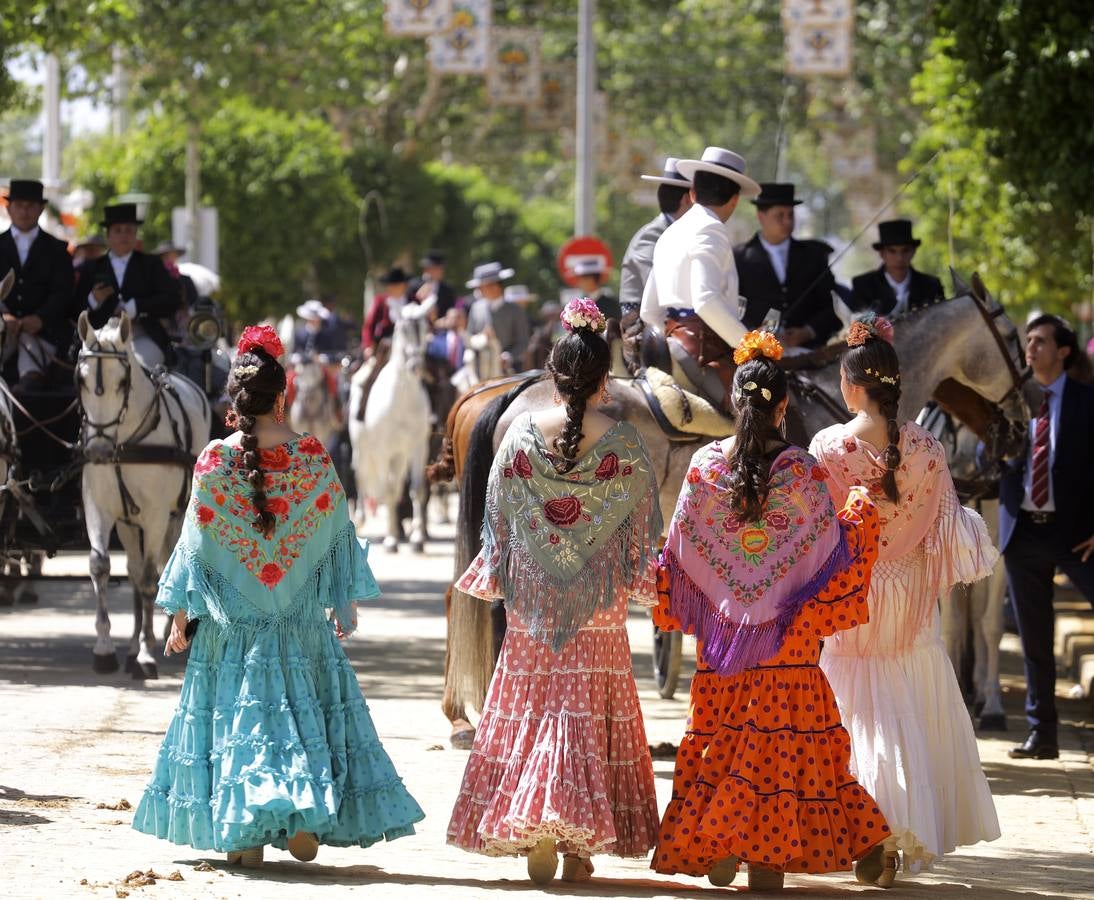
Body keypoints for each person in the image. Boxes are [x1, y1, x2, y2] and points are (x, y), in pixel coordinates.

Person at [131, 324, 424, 866]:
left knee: (243, 719)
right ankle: (299, 814)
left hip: (232, 627)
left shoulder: (214, 461)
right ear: (282, 397)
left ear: (234, 401)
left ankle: (245, 831)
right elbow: (337, 530)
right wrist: (343, 600)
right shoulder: (312, 457)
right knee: (296, 716)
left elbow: (194, 544)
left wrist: (179, 614)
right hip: (298, 622)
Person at [651, 330, 888, 892]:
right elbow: (828, 560)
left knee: (726, 742)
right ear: (783, 407)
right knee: (794, 750)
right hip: (790, 645)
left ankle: (725, 837)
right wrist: (860, 513)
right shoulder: (804, 473)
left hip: (726, 647)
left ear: (735, 403)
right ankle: (802, 851)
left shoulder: (705, 468)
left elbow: (678, 556)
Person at [447, 298, 662, 885]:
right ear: (603, 380)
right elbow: (642, 532)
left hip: (534, 599)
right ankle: (576, 841)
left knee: (532, 705)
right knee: (585, 708)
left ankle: (534, 817)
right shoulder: (624, 445)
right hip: (599, 602)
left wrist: (512, 569)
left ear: (555, 374)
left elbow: (497, 523)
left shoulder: (518, 437)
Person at [809, 315, 1000, 883]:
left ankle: (867, 834)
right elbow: (947, 531)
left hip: (853, 592)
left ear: (849, 385)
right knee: (904, 705)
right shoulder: (928, 447)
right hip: (911, 594)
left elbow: (818, 534)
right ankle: (895, 833)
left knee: (858, 707)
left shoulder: (827, 446)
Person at [1000, 314, 1094, 760]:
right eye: (1028, 341)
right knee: (1034, 640)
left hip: (1077, 534)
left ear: (1064, 351)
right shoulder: (1012, 399)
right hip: (1022, 533)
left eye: (1040, 341)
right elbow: (987, 453)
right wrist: (1003, 439)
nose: (1031, 348)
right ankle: (1043, 735)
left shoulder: (1086, 401)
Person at [640, 146, 761, 410]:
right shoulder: (711, 229)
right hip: (702, 352)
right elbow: (705, 301)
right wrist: (752, 347)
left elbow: (649, 311)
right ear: (735, 199)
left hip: (671, 347)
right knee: (761, 406)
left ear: (693, 193)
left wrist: (670, 339)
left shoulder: (671, 232)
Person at [734, 182, 839, 348]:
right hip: (758, 353)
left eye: (791, 214)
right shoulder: (739, 257)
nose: (787, 221)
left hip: (809, 352)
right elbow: (734, 306)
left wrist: (807, 331)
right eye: (780, 215)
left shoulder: (814, 254)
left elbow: (832, 304)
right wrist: (755, 334)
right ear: (761, 216)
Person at [83, 203, 182, 368]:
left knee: (138, 367)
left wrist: (137, 306)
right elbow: (73, 306)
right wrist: (93, 300)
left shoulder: (151, 264)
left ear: (136, 234)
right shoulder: (92, 267)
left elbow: (172, 298)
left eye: (129, 230)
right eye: (118, 230)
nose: (124, 236)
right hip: (101, 335)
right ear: (108, 235)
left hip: (142, 334)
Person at [0, 179, 75, 388]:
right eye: (19, 205)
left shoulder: (58, 250)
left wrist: (41, 318)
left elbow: (64, 292)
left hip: (43, 333)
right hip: (2, 330)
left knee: (30, 376)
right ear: (8, 208)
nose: (25, 212)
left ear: (41, 209)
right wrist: (4, 316)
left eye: (31, 206)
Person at [619, 157, 693, 311]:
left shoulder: (679, 233)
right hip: (640, 325)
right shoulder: (651, 235)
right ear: (687, 199)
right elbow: (658, 286)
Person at [849, 220, 944, 316]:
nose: (899, 258)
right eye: (892, 251)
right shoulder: (863, 286)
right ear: (882, 253)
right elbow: (859, 326)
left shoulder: (931, 285)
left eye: (905, 250)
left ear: (913, 251)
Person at [465, 261, 529, 373]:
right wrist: (481, 338)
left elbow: (523, 341)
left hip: (509, 371)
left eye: (482, 287)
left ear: (494, 286)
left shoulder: (515, 310)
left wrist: (508, 356)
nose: (478, 290)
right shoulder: (475, 308)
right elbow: (469, 337)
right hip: (481, 370)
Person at [362, 267, 413, 355]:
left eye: (397, 285)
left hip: (411, 343)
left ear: (404, 285)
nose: (394, 288)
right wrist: (368, 346)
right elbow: (369, 326)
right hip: (386, 346)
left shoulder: (413, 300)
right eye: (392, 285)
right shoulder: (380, 301)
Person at [410, 249, 456, 319]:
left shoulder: (447, 290)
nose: (427, 271)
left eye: (432, 268)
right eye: (427, 268)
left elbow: (450, 309)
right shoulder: (414, 286)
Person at [151, 240, 199, 308]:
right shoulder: (152, 281)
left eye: (172, 256)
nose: (168, 259)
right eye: (165, 256)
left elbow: (194, 302)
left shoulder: (185, 280)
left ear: (176, 257)